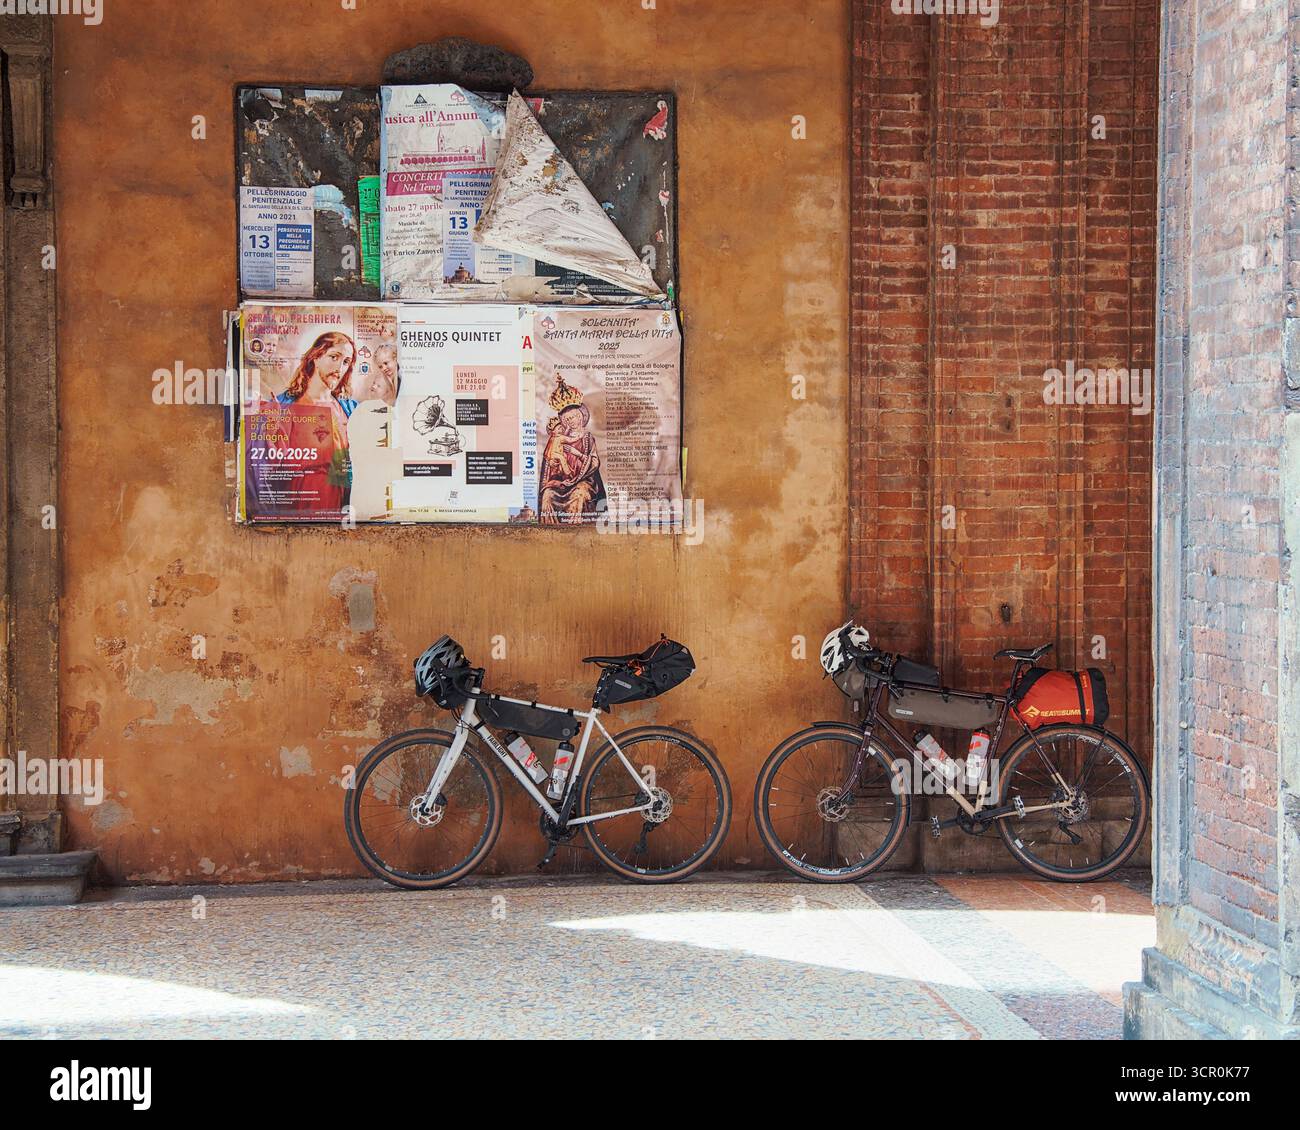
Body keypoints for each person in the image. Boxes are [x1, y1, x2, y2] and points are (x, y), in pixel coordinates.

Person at [273, 331, 358, 515]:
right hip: (298, 506)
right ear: (316, 357)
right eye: (334, 357)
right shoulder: (283, 405)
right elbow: (268, 464)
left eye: (345, 362)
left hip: (341, 506)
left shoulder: (351, 409)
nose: (339, 368)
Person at [540, 377, 606, 523]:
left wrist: (577, 453)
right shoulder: (559, 440)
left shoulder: (588, 438)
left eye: (573, 417)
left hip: (583, 482)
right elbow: (551, 468)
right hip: (562, 483)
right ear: (563, 421)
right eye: (567, 419)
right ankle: (550, 533)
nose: (571, 421)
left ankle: (575, 531)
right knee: (548, 495)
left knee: (579, 493)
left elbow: (594, 463)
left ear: (580, 417)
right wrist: (555, 466)